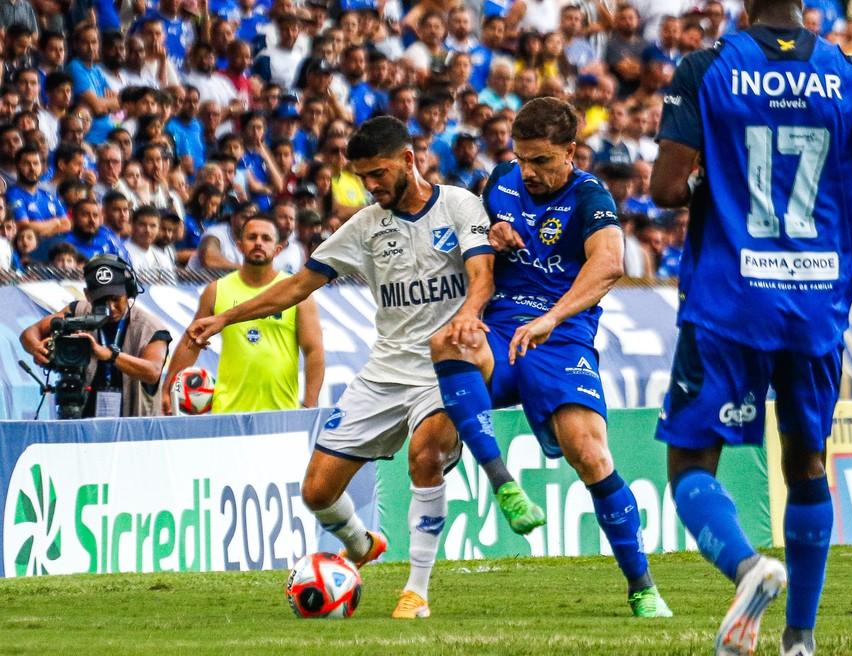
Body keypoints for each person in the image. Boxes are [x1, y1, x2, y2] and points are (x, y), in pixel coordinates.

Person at [186, 117, 539, 621]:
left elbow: (482, 275)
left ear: (408, 160)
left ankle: (415, 590)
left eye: (377, 174)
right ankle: (362, 543)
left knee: (428, 455)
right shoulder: (366, 226)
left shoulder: (460, 205)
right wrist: (224, 317)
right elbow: (295, 286)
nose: (370, 186)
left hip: (445, 367)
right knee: (317, 492)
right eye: (362, 177)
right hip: (384, 371)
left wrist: (466, 315)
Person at [650, 0, 852, 654]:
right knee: (805, 462)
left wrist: (730, 185)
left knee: (690, 462)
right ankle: (800, 639)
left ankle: (747, 568)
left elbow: (667, 188)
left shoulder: (707, 68)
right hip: (818, 303)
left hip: (731, 300)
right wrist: (823, 189)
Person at [429, 97, 672, 618]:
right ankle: (504, 485)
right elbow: (469, 248)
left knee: (591, 455)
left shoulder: (590, 196)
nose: (529, 171)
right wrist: (489, 236)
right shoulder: (499, 181)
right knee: (448, 346)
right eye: (522, 158)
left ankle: (642, 586)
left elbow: (609, 265)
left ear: (571, 152)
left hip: (559, 336)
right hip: (499, 328)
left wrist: (551, 318)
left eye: (541, 160)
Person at [165, 214, 325, 414]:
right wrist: (167, 388)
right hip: (227, 412)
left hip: (281, 413)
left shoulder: (297, 294)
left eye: (266, 238)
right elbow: (192, 341)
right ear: (239, 246)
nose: (258, 243)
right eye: (252, 237)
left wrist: (310, 405)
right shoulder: (216, 290)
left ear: (278, 249)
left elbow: (314, 351)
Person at [20, 255, 173, 417]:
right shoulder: (77, 311)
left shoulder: (149, 327)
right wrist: (36, 348)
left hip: (133, 429)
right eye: (101, 301)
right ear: (87, 295)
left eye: (116, 299)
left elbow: (153, 372)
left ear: (128, 292)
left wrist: (109, 355)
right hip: (85, 419)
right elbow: (29, 333)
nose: (111, 307)